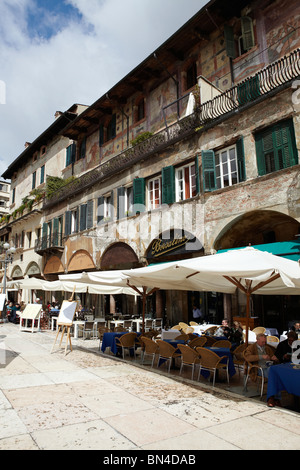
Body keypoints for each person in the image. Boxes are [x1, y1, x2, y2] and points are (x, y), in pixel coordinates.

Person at [244, 333, 279, 407]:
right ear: (257, 340)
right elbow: (247, 357)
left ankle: (272, 398)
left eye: (265, 342)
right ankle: (275, 398)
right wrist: (261, 356)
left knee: (275, 374)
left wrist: (274, 358)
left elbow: (273, 356)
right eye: (262, 342)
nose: (264, 343)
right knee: (274, 376)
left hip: (269, 367)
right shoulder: (251, 348)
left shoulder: (267, 348)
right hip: (258, 369)